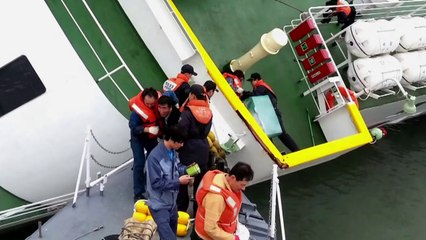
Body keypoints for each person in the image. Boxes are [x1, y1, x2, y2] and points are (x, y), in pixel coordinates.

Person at [145, 125, 193, 240]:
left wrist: (187, 170)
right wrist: (178, 182)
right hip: (159, 206)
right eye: (180, 142)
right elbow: (156, 184)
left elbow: (177, 167)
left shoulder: (172, 152)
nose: (182, 145)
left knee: (172, 235)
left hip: (172, 204)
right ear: (171, 139)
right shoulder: (154, 158)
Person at [177, 84, 213, 214]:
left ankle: (181, 209)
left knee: (185, 180)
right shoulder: (209, 113)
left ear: (192, 95)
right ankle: (198, 210)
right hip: (203, 152)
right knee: (200, 184)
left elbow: (182, 132)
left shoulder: (187, 113)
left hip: (188, 153)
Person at [194, 162, 254, 240]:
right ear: (233, 177)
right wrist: (233, 238)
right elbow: (210, 229)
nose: (243, 189)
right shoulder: (216, 198)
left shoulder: (221, 177)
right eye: (242, 185)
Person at [248, 73, 300, 152]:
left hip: (273, 114)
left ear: (256, 79)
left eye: (251, 81)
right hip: (271, 114)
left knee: (281, 134)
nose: (251, 83)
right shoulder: (262, 86)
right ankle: (273, 152)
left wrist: (244, 93)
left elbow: (255, 95)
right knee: (268, 134)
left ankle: (296, 150)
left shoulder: (261, 87)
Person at [128, 88, 160, 201]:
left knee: (154, 161)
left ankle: (151, 183)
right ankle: (138, 193)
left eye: (152, 104)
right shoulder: (136, 112)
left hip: (151, 137)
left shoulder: (158, 105)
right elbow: (133, 127)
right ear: (143, 99)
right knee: (139, 163)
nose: (150, 106)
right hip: (138, 137)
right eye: (148, 104)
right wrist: (147, 130)